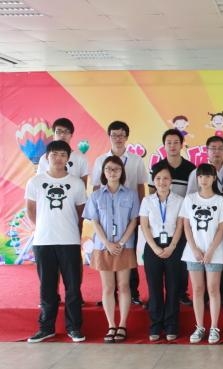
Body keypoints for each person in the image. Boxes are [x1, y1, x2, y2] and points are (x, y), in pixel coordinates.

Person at [26, 141, 87, 343]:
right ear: (47, 157)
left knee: (73, 287)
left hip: (69, 241)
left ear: (68, 158)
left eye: (62, 154)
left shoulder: (76, 183)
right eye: (54, 154)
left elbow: (80, 213)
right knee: (47, 287)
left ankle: (74, 328)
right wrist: (44, 226)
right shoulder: (35, 182)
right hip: (43, 241)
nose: (58, 158)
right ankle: (46, 328)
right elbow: (31, 210)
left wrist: (71, 230)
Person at [82, 156, 139, 343]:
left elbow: (134, 221)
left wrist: (121, 243)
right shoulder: (96, 195)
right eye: (108, 169)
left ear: (122, 172)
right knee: (108, 287)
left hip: (125, 246)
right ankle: (111, 325)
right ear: (103, 172)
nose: (112, 172)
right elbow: (95, 222)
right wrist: (107, 243)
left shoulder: (131, 194)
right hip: (103, 247)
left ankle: (122, 324)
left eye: (116, 169)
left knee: (124, 286)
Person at [91, 121, 146, 305]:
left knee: (128, 254)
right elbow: (96, 187)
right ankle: (110, 294)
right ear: (109, 137)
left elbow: (140, 186)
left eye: (122, 135)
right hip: (106, 215)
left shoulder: (136, 160)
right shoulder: (100, 160)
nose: (118, 138)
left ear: (127, 137)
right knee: (107, 254)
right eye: (114, 135)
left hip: (128, 216)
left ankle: (132, 293)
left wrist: (140, 214)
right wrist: (98, 212)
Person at [187, 135, 223, 309]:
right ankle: (202, 296)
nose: (216, 152)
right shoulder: (196, 173)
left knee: (221, 259)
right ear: (207, 151)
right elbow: (190, 198)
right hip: (202, 225)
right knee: (200, 257)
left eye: (220, 148)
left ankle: (222, 295)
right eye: (213, 148)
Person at [180, 164, 223, 344]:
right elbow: (186, 226)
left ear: (214, 178)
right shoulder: (190, 199)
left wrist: (211, 250)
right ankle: (199, 326)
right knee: (198, 289)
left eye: (207, 176)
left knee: (213, 289)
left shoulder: (220, 201)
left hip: (214, 252)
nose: (204, 180)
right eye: (200, 176)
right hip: (193, 252)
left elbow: (222, 228)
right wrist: (194, 248)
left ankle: (214, 327)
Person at [149, 129, 196, 306]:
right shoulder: (157, 167)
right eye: (169, 142)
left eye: (176, 142)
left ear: (182, 145)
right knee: (157, 262)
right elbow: (151, 194)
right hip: (161, 222)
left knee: (181, 258)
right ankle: (157, 296)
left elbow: (193, 195)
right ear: (164, 145)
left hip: (183, 221)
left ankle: (181, 293)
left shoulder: (190, 168)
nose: (172, 146)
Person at [139, 165, 184, 341]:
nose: (162, 182)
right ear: (153, 181)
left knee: (173, 287)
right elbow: (144, 225)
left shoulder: (179, 200)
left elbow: (180, 225)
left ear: (171, 181)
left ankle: (172, 325)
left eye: (165, 178)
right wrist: (154, 247)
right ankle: (155, 325)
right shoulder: (147, 201)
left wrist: (172, 246)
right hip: (153, 246)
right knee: (154, 287)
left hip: (174, 245)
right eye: (158, 178)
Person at [37, 117, 88, 187]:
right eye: (59, 132)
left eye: (66, 132)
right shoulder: (45, 158)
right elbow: (39, 182)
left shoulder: (80, 158)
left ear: (71, 135)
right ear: (53, 135)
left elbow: (83, 186)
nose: (62, 135)